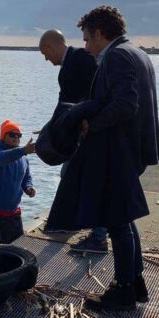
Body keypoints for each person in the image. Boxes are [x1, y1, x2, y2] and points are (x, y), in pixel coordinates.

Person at [47, 5, 159, 310]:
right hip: (134, 148)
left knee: (116, 221)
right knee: (123, 217)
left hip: (121, 150)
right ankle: (134, 281)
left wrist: (91, 123)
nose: (86, 47)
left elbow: (126, 104)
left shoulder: (116, 56)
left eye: (87, 39)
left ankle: (123, 290)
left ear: (100, 33)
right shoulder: (136, 52)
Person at [38, 29, 107, 253]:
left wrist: (89, 120)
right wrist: (51, 127)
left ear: (50, 47)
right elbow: (64, 104)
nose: (47, 60)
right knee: (70, 175)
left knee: (81, 179)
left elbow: (97, 93)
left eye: (46, 55)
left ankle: (94, 233)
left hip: (89, 133)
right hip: (79, 132)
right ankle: (77, 223)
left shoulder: (80, 59)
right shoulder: (69, 65)